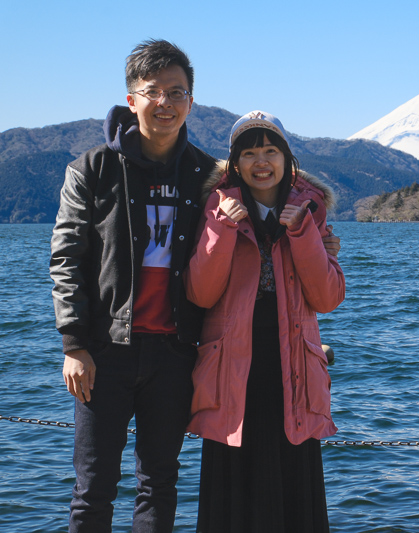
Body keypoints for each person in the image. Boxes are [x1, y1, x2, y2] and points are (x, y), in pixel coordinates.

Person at [49, 39, 215, 531]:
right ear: (132, 100)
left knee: (160, 482)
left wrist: (314, 232)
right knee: (93, 488)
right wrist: (74, 345)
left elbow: (253, 225)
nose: (165, 102)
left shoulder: (207, 174)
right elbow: (66, 260)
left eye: (177, 92)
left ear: (191, 101)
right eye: (153, 91)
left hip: (176, 350)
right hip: (105, 351)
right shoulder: (93, 170)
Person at [185, 111, 345, 532]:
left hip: (293, 367)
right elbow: (200, 293)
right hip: (232, 370)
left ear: (288, 160)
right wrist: (221, 227)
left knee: (295, 491)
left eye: (271, 150)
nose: (261, 161)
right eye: (250, 152)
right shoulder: (215, 207)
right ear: (235, 163)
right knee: (231, 494)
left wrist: (305, 234)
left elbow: (327, 298)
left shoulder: (310, 210)